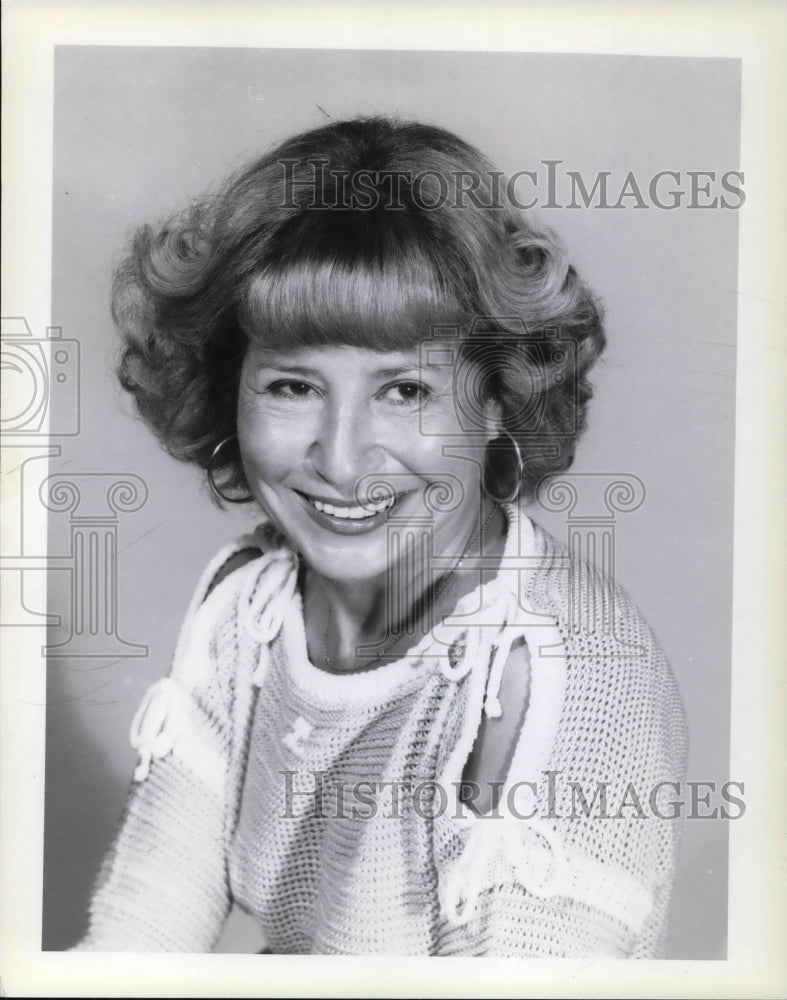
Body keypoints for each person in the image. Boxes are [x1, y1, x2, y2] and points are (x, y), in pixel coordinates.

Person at [75, 117, 687, 956]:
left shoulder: (551, 679)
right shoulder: (249, 604)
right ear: (229, 391)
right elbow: (134, 941)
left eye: (403, 391)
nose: (342, 458)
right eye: (293, 386)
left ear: (498, 397)